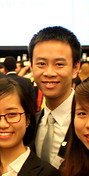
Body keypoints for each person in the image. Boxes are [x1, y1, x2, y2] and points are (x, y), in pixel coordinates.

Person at [29, 26, 81, 168]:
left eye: (59, 64)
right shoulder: (30, 123)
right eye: (41, 64)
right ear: (31, 67)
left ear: (76, 68)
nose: (49, 72)